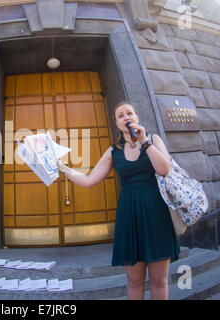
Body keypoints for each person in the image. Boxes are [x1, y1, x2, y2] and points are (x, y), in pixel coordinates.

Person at [57, 101, 180, 300]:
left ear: (137, 117)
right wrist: (62, 168)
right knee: (134, 282)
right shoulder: (113, 151)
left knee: (159, 281)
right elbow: (89, 180)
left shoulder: (153, 140)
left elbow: (164, 169)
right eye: (121, 115)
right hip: (129, 216)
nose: (126, 118)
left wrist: (144, 142)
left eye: (129, 113)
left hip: (156, 214)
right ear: (117, 123)